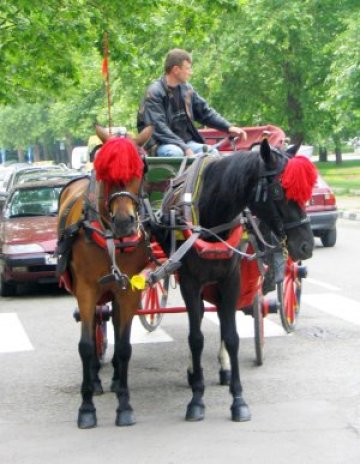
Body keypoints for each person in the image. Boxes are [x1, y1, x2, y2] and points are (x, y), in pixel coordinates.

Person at [137, 48, 247, 157]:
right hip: (161, 144)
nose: (191, 73)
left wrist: (229, 127)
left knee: (212, 153)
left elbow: (205, 112)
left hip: (186, 143)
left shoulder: (187, 90)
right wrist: (184, 148)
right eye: (188, 69)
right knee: (176, 153)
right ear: (176, 70)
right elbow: (159, 128)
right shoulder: (154, 93)